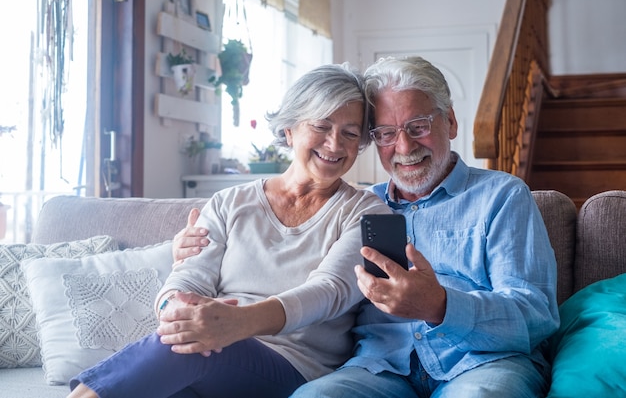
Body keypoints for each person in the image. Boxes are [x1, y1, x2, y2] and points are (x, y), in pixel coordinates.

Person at [174, 56, 560, 398]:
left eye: (418, 126)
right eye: (386, 134)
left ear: (451, 121)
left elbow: (537, 315)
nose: (405, 147)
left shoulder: (502, 196)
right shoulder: (356, 208)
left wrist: (441, 306)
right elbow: (275, 263)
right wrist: (182, 250)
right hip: (379, 371)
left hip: (482, 363)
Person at [67, 63, 393, 398]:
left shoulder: (366, 213)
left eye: (351, 133)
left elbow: (329, 291)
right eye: (322, 126)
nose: (335, 144)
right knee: (179, 359)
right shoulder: (229, 203)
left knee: (188, 348)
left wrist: (239, 323)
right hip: (214, 353)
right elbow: (187, 279)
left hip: (294, 368)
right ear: (290, 129)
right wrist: (174, 309)